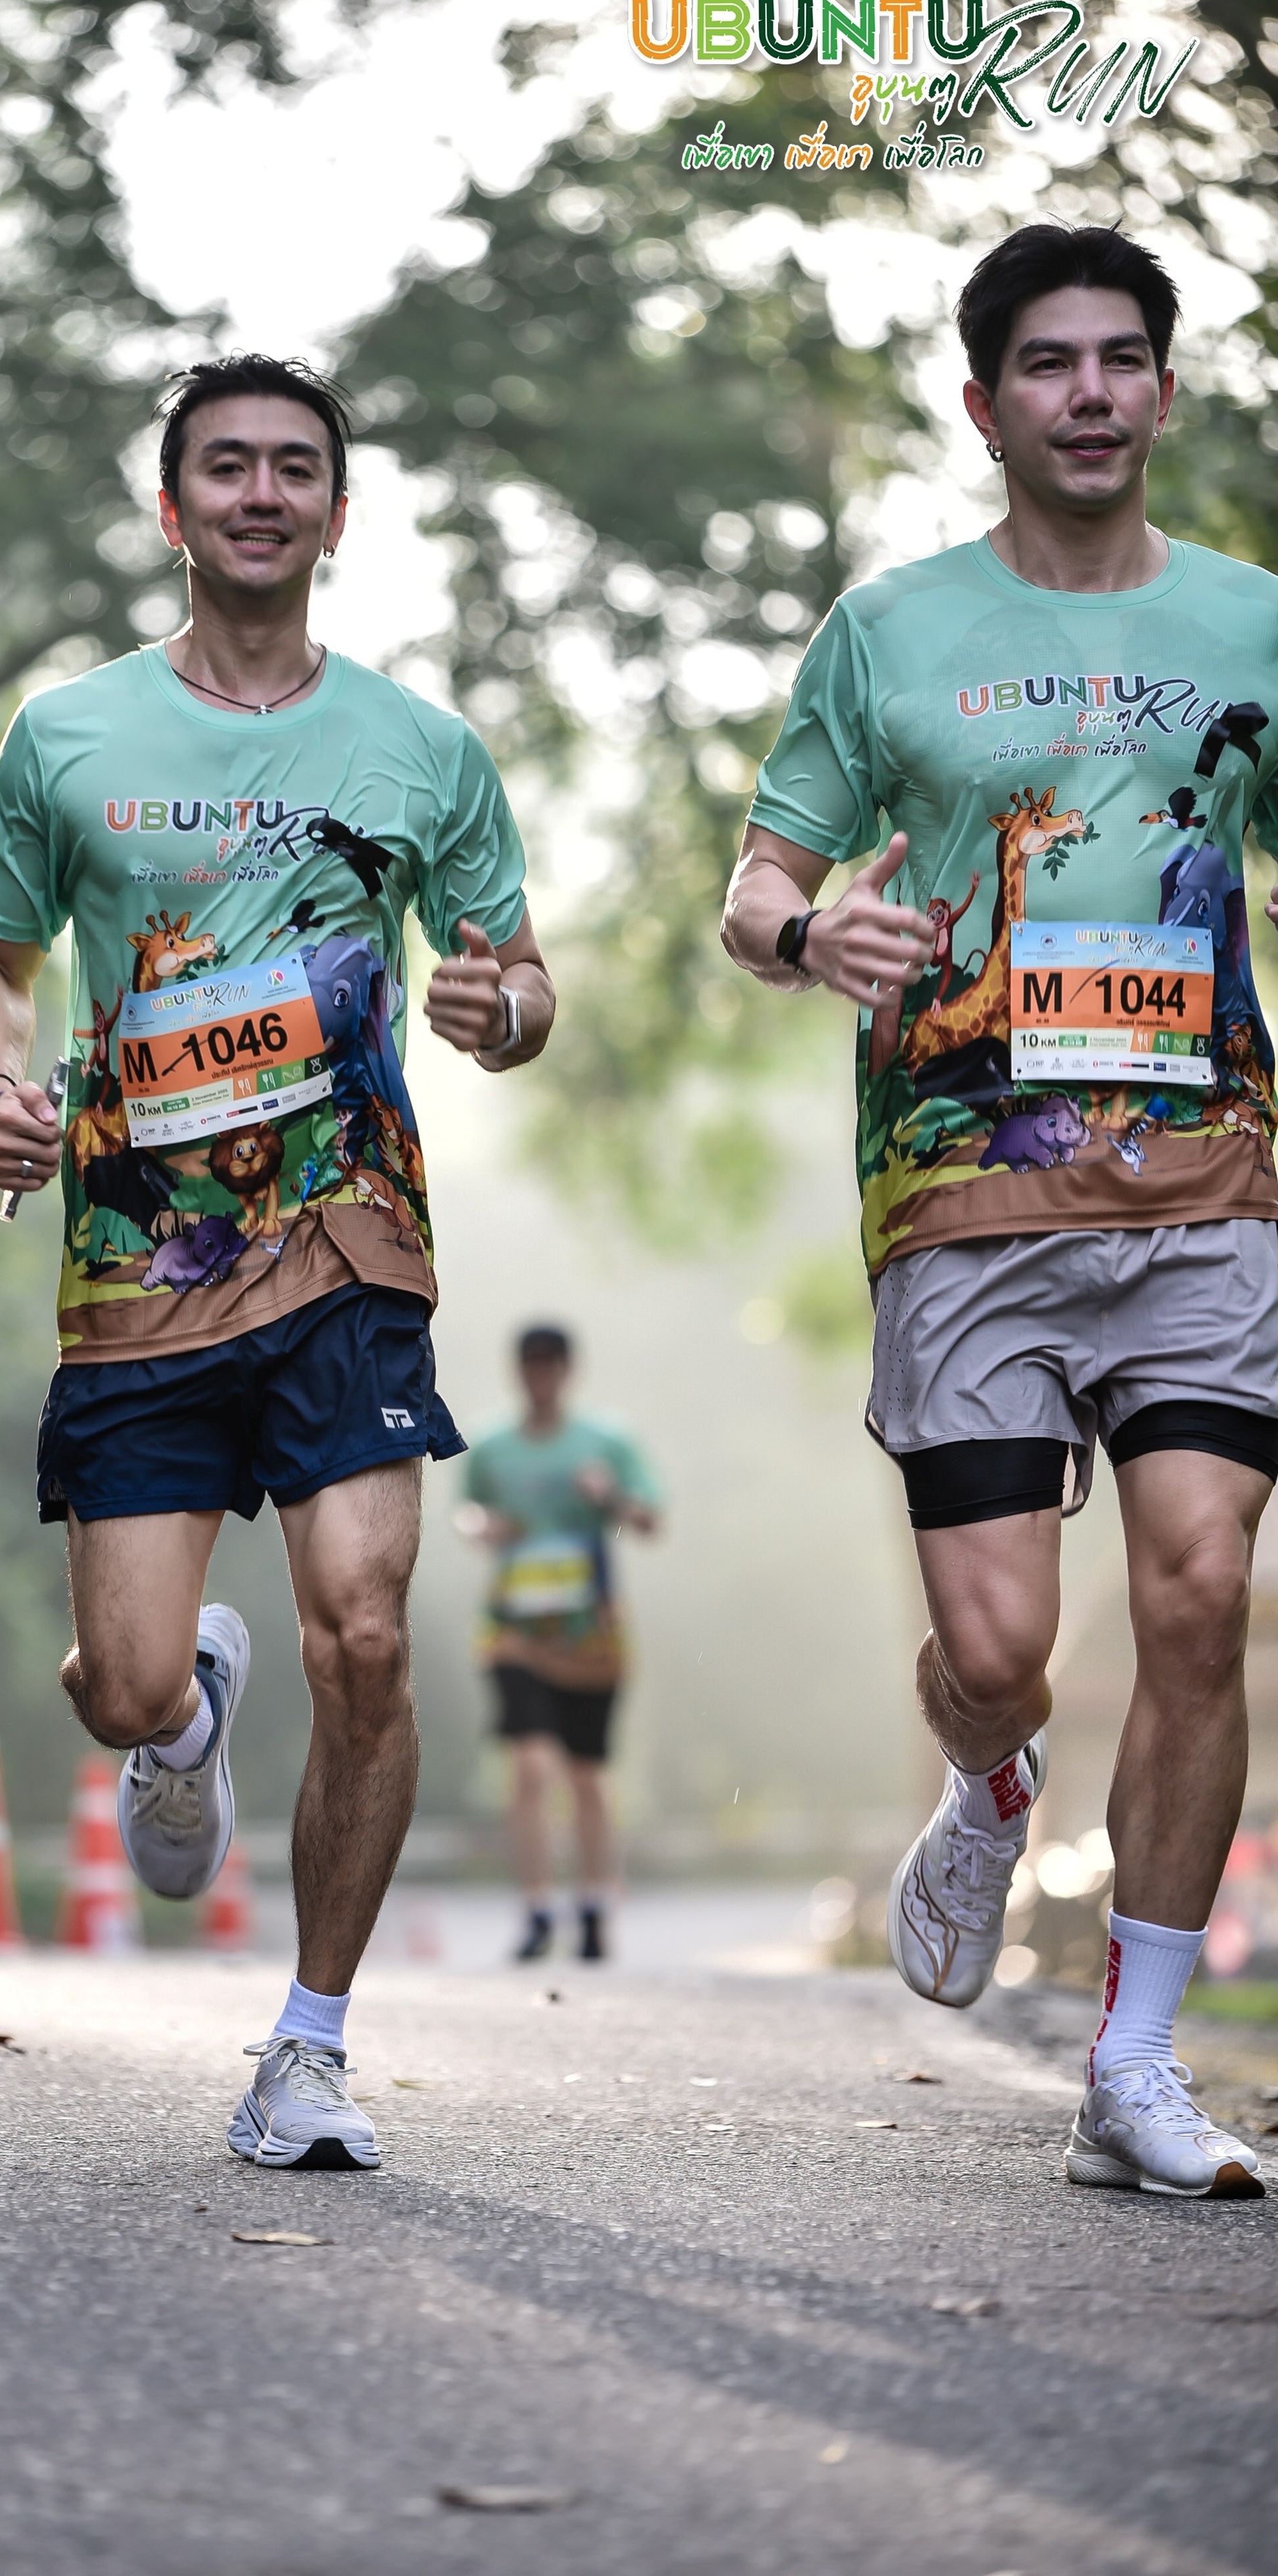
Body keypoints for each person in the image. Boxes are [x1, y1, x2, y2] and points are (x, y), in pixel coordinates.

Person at [0, 353, 554, 2170]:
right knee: (120, 1687)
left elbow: (520, 977)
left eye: (296, 468)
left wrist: (497, 1009)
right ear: (173, 508)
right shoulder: (67, 736)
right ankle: (183, 1710)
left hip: (346, 1245)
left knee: (363, 1633)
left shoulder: (419, 750)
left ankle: (309, 2045)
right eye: (227, 467)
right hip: (137, 1269)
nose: (262, 493)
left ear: (336, 514)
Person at [722, 224, 1273, 2200]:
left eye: (1121, 358)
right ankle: (986, 1777)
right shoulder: (887, 631)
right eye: (1049, 362)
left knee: (1199, 1590)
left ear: (1164, 392)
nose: (1090, 392)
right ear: (983, 404)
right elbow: (756, 887)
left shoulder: (1251, 621)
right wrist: (806, 934)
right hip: (963, 1187)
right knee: (1002, 1647)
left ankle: (1133, 2061)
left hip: (1208, 1175)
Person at [459, 1324, 661, 1961]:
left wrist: (610, 1497)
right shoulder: (493, 1447)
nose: (540, 1375)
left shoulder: (605, 1441)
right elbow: (468, 1512)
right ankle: (538, 1908)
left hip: (589, 1634)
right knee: (528, 1766)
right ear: (518, 1370)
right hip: (514, 1631)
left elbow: (650, 1519)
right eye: (530, 1363)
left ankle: (595, 1905)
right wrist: (482, 1526)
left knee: (587, 1775)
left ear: (568, 1370)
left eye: (550, 1364)